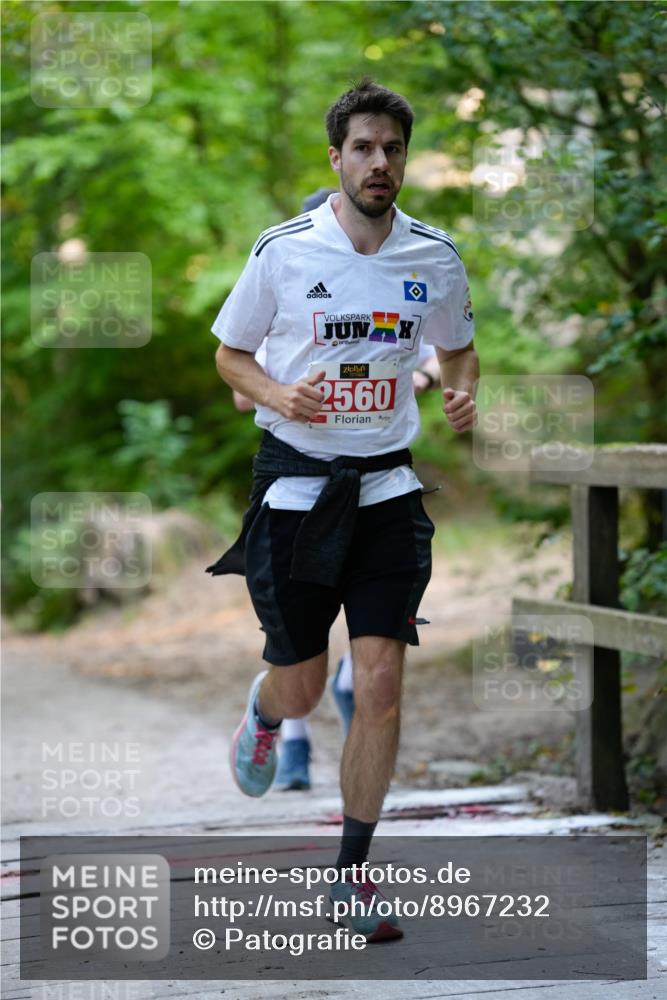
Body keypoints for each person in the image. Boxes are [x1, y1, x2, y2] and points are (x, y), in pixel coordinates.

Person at [208, 79, 479, 942]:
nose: (379, 163)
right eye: (363, 148)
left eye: (392, 149)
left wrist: (460, 396)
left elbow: (459, 349)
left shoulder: (434, 255)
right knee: (303, 685)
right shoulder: (284, 249)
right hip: (295, 489)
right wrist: (281, 396)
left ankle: (351, 875)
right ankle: (265, 708)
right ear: (336, 157)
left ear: (405, 159)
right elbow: (230, 356)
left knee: (383, 685)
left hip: (388, 492)